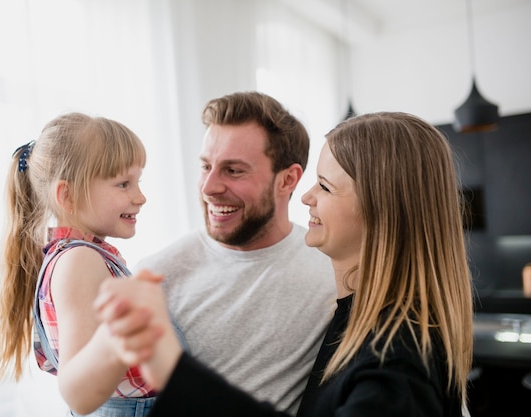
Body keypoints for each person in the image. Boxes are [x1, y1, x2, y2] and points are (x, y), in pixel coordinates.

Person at [95, 111, 475, 417]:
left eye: (325, 186)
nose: (307, 197)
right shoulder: (355, 316)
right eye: (206, 165)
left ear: (382, 212)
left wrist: (173, 370)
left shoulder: (399, 351)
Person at [133, 91, 337, 414]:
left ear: (288, 179)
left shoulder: (333, 273)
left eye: (233, 170)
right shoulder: (155, 276)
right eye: (205, 166)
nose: (209, 187)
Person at [0, 112, 157, 417]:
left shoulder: (81, 256)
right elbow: (79, 391)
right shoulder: (80, 260)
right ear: (68, 195)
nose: (140, 197)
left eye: (138, 181)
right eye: (123, 184)